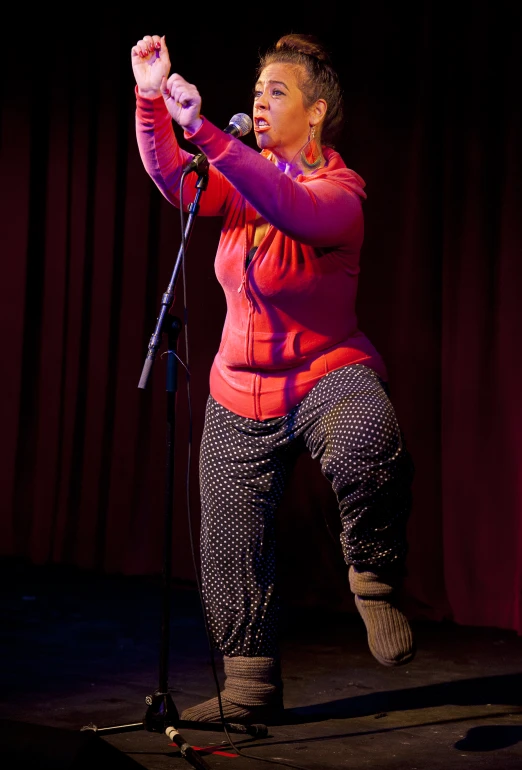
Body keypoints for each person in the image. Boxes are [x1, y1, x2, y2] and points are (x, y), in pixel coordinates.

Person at [131, 31, 416, 724]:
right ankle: (250, 683)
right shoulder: (236, 175)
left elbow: (292, 208)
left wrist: (205, 133)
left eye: (277, 93)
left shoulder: (342, 194)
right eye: (256, 93)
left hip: (325, 371)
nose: (259, 103)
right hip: (239, 384)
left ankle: (374, 577)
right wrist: (151, 101)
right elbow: (175, 177)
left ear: (315, 113)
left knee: (366, 433)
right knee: (228, 537)